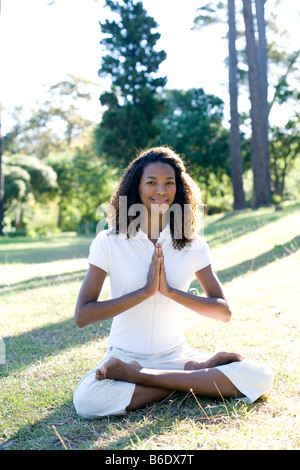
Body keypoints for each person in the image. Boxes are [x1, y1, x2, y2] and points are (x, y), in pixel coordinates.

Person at [73, 147, 273, 418]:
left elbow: (222, 311)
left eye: (169, 183)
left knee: (260, 376)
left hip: (176, 355)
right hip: (125, 355)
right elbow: (83, 315)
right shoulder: (109, 241)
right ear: (136, 187)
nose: (161, 191)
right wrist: (145, 292)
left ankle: (146, 377)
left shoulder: (192, 244)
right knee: (87, 402)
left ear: (179, 188)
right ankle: (188, 379)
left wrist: (170, 291)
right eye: (151, 182)